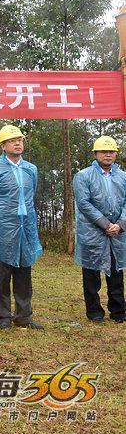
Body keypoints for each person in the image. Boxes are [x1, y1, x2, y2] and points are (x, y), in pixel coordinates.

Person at [0, 124, 44, 330]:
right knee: (3, 274)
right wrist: (1, 217)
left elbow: (31, 195)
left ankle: (24, 316)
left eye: (20, 140)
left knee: (24, 273)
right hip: (4, 228)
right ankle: (4, 317)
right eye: (12, 140)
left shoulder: (30, 169)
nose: (17, 143)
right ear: (3, 145)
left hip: (26, 228)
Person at [73, 135, 126, 323]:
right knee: (91, 275)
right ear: (95, 154)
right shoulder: (83, 176)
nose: (108, 155)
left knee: (116, 274)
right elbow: (84, 204)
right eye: (104, 152)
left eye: (111, 151)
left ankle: (119, 311)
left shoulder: (123, 177)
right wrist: (105, 224)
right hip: (92, 233)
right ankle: (95, 312)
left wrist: (120, 225)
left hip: (117, 234)